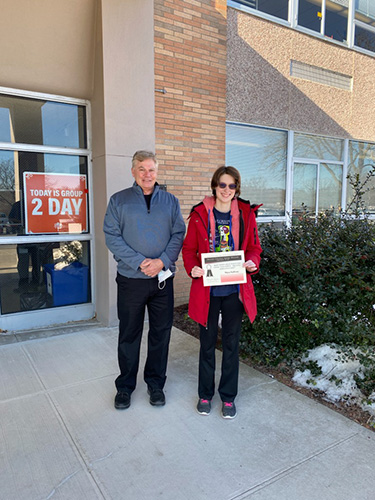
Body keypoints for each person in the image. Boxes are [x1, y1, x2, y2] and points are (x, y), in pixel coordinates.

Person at [103, 150, 185, 410]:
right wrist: (140, 262)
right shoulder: (119, 201)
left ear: (157, 171)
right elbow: (111, 237)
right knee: (129, 334)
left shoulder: (170, 201)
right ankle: (125, 387)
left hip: (162, 280)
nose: (147, 174)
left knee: (160, 333)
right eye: (142, 169)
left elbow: (178, 234)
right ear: (133, 172)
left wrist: (161, 261)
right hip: (131, 280)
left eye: (151, 169)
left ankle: (155, 383)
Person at [182, 166, 262, 419]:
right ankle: (205, 394)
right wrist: (192, 267)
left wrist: (252, 263)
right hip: (207, 290)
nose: (227, 190)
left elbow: (254, 248)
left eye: (232, 186)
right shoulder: (199, 214)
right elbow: (188, 250)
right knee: (206, 345)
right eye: (222, 185)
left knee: (231, 345)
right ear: (214, 186)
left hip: (234, 291)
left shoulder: (247, 214)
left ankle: (228, 398)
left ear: (237, 188)